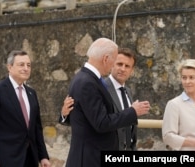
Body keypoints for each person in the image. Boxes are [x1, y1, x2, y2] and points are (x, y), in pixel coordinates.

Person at [63, 38, 150, 167]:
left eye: (127, 66)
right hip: (91, 159)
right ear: (106, 59)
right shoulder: (90, 83)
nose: (121, 68)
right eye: (116, 62)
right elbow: (101, 122)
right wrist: (133, 111)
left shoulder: (86, 79)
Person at [0, 50, 51, 167]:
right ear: (10, 67)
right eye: (21, 65)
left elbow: (37, 128)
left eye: (28, 65)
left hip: (31, 159)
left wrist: (43, 156)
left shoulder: (31, 93)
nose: (26, 68)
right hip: (6, 159)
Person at [60, 47, 140, 151]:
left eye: (127, 66)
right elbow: (90, 119)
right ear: (112, 64)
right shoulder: (99, 87)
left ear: (132, 70)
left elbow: (129, 128)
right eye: (119, 64)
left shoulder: (127, 91)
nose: (123, 69)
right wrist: (64, 114)